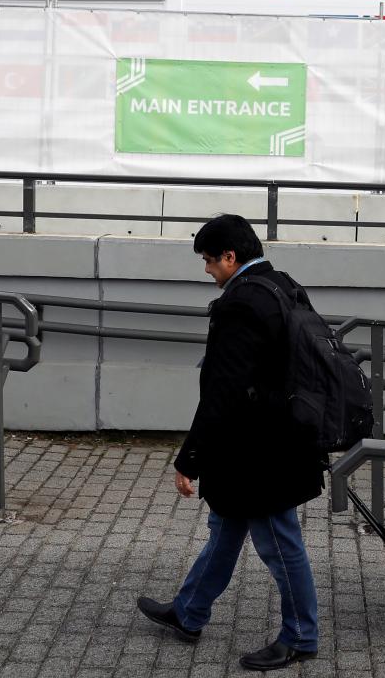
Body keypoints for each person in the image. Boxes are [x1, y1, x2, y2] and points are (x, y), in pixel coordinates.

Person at [137, 214, 324, 671]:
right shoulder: (284, 285)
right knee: (225, 530)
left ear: (229, 256)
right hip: (283, 437)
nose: (206, 271)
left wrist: (191, 457)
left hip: (258, 453)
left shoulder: (240, 304)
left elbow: (224, 392)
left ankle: (301, 636)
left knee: (280, 543)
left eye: (208, 261)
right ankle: (189, 612)